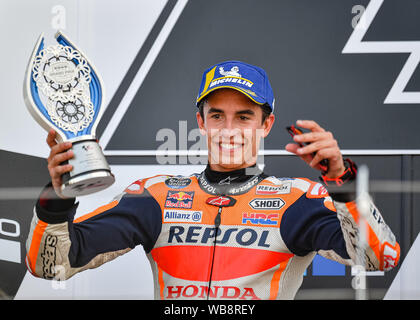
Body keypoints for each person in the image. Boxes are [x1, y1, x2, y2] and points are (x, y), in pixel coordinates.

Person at [25, 60, 400, 300]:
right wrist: (58, 196)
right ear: (201, 122)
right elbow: (50, 265)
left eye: (244, 116)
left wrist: (341, 180)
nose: (229, 130)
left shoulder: (297, 200)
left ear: (266, 124)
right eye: (217, 115)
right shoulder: (155, 197)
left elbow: (379, 257)